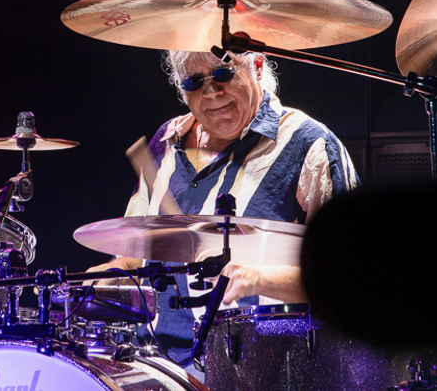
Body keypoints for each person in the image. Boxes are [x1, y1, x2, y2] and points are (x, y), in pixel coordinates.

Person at [87, 49, 359, 371]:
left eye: (223, 73)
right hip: (157, 365)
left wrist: (255, 278)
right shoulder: (166, 140)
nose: (212, 92)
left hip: (260, 369)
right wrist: (115, 274)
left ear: (257, 66)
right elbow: (140, 252)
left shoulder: (309, 145)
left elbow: (349, 276)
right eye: (194, 81)